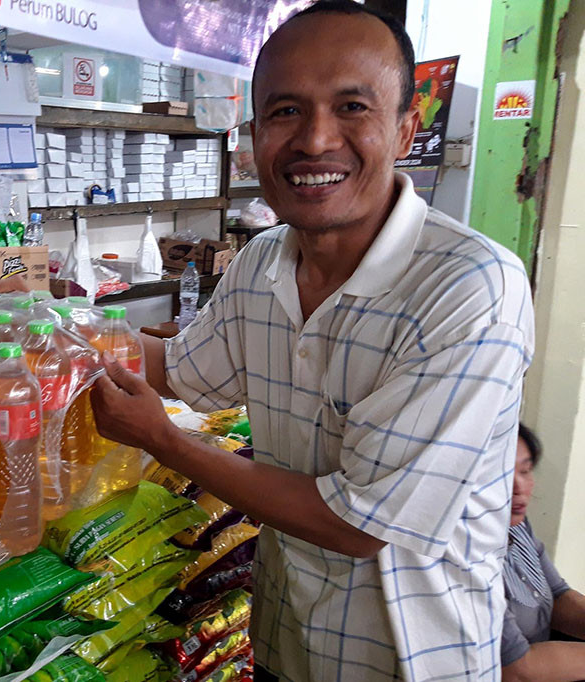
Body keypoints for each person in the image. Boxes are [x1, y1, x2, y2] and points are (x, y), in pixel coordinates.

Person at [90, 1, 535, 680]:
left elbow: (358, 526)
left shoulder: (470, 287)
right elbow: (180, 370)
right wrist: (60, 331)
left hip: (410, 661)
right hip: (284, 641)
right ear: (255, 134)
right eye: (286, 111)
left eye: (352, 107)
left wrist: (164, 440)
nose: (315, 140)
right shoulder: (262, 261)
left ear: (406, 127)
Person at [501, 424, 585, 681]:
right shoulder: (463, 553)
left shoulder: (517, 526)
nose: (518, 486)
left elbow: (558, 596)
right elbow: (517, 670)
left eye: (525, 471)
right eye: (503, 473)